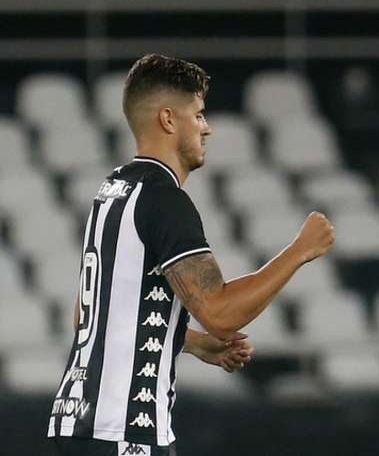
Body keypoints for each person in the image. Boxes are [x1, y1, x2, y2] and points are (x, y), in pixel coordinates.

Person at [47, 54, 335, 456]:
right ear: (169, 120)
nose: (207, 128)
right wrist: (300, 251)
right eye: (198, 115)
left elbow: (89, 313)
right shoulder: (165, 200)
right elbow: (220, 314)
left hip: (77, 419)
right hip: (126, 430)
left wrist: (193, 343)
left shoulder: (112, 190)